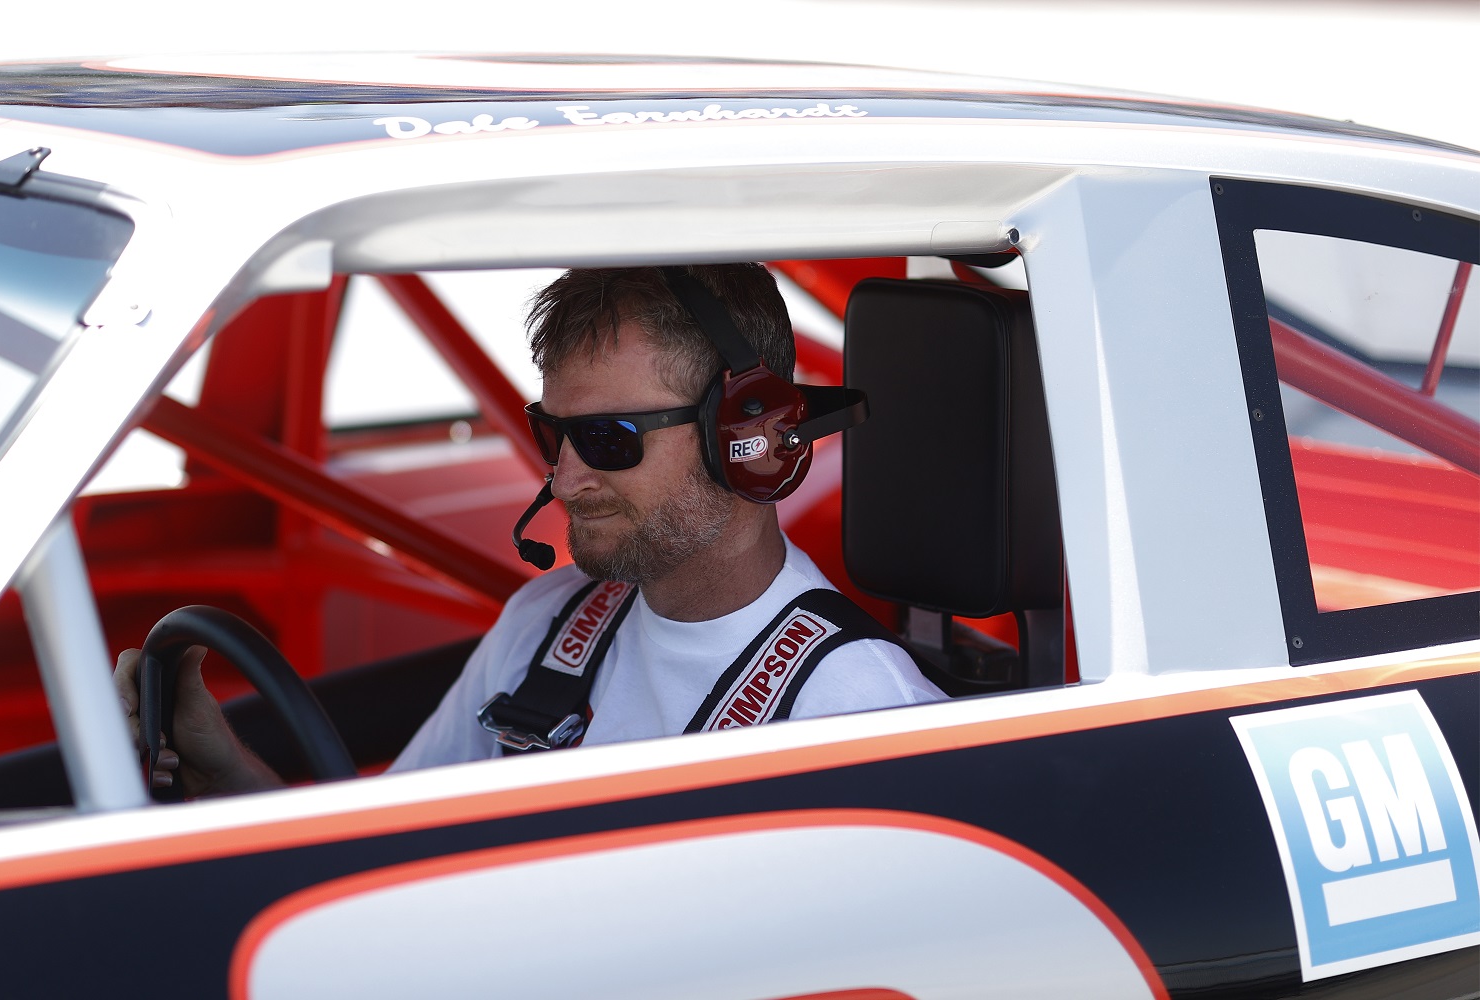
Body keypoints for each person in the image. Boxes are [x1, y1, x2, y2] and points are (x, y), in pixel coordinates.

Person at [114, 264, 944, 795]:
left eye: (609, 440)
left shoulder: (854, 711)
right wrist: (218, 762)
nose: (564, 477)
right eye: (556, 433)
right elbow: (373, 869)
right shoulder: (547, 625)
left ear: (749, 437)